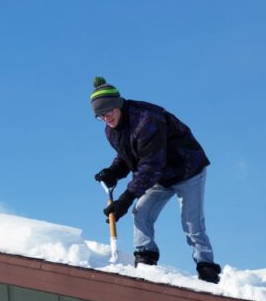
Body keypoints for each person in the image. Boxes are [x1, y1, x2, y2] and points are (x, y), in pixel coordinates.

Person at [90, 76, 222, 283]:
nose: (106, 118)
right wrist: (113, 171)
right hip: (159, 177)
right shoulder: (112, 131)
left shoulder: (146, 119)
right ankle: (145, 258)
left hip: (187, 169)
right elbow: (129, 156)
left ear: (118, 105)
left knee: (191, 223)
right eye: (100, 115)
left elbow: (151, 165)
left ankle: (206, 267)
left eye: (108, 111)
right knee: (141, 212)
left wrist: (126, 198)